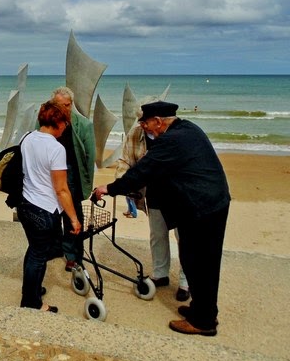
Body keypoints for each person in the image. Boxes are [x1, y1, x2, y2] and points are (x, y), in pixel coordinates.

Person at [93, 101, 230, 336]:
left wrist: (110, 188)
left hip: (202, 208)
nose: (145, 128)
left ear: (158, 120)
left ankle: (204, 322)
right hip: (210, 203)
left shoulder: (171, 140)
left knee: (200, 264)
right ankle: (201, 308)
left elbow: (143, 171)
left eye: (146, 124)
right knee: (197, 261)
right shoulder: (188, 129)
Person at [115, 101, 189, 301]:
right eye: (140, 121)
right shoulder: (136, 134)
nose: (141, 125)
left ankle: (186, 282)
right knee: (157, 234)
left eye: (144, 121)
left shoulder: (173, 136)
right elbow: (126, 160)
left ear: (156, 121)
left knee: (184, 238)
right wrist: (123, 183)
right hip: (153, 192)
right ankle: (160, 273)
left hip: (178, 194)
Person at [19, 100, 82, 313]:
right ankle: (32, 302)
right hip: (43, 209)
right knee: (38, 255)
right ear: (58, 122)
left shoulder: (26, 138)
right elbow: (62, 189)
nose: (66, 127)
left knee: (34, 250)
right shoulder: (56, 148)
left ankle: (31, 291)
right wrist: (73, 218)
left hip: (25, 204)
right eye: (65, 122)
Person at [50, 87, 96, 272]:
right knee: (52, 215)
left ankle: (73, 254)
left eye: (67, 105)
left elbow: (89, 157)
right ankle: (56, 248)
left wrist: (87, 184)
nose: (64, 109)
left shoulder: (83, 125)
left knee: (73, 217)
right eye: (60, 105)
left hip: (72, 176)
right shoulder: (45, 123)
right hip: (51, 175)